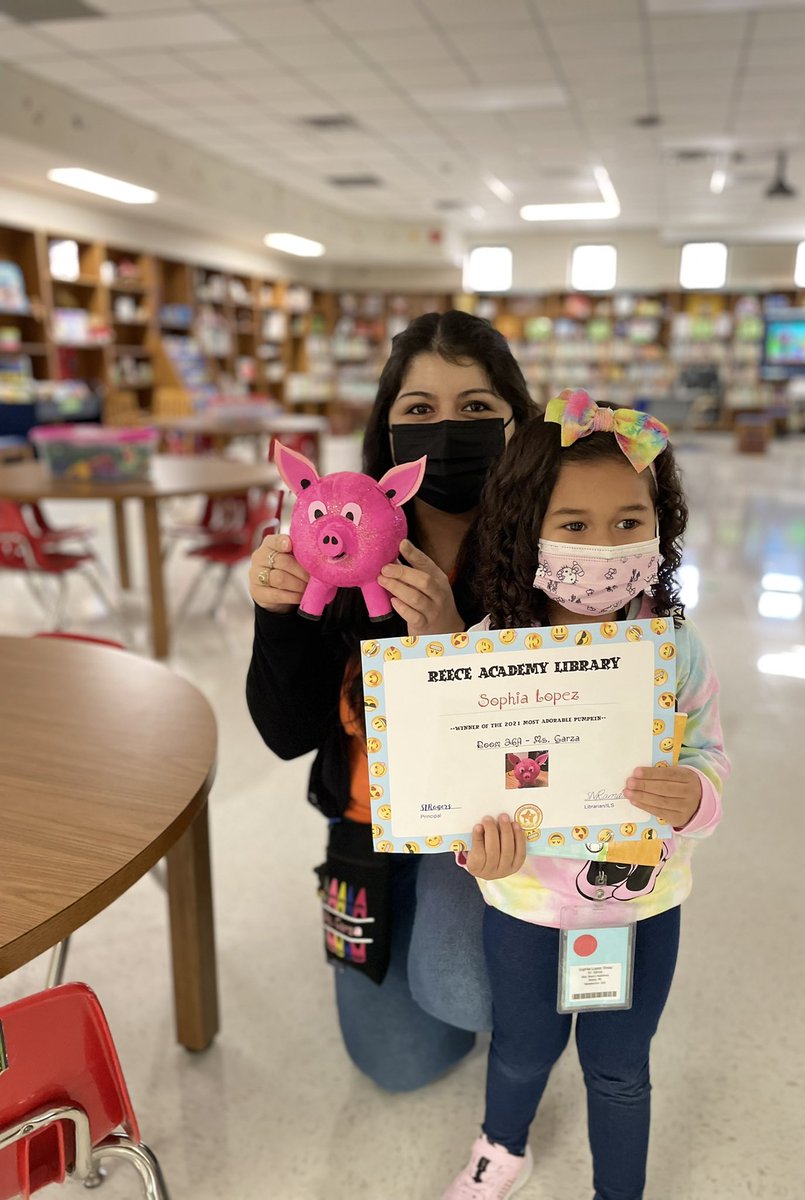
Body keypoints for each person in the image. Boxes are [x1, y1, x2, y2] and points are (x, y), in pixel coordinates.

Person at [441, 390, 729, 1200]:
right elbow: (464, 784)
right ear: (526, 527)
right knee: (522, 1049)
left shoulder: (675, 648)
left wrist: (695, 797)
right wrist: (475, 849)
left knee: (620, 1067)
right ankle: (503, 1148)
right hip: (526, 907)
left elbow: (709, 751)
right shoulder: (491, 652)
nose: (605, 547)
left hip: (643, 905)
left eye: (629, 521)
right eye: (574, 524)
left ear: (660, 525)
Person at [245, 311, 539, 1092]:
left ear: (516, 421)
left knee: (468, 991)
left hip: (485, 826)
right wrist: (276, 616)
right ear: (387, 431)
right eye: (419, 409)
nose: (447, 430)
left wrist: (447, 646)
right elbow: (286, 733)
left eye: (476, 407)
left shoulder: (546, 550)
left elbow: (548, 736)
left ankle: (499, 950)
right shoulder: (338, 539)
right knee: (398, 1064)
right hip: (368, 824)